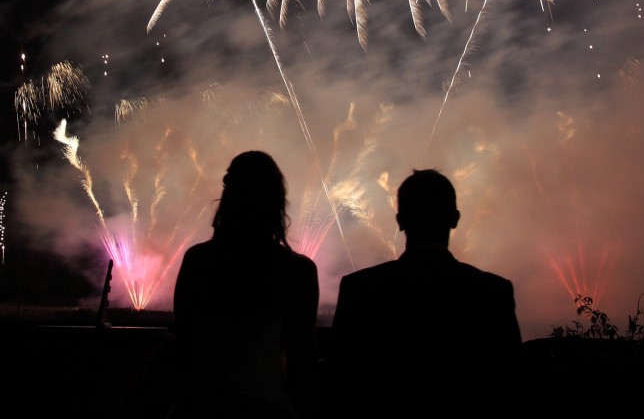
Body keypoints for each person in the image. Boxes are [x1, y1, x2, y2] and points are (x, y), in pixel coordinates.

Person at [327, 168, 521, 410]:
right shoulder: (493, 292)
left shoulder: (360, 288)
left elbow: (339, 378)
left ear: (400, 222)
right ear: (455, 218)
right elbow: (511, 384)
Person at [171, 151, 319, 419]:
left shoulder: (199, 260)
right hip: (266, 408)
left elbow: (183, 343)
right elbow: (301, 359)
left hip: (201, 406)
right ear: (277, 201)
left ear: (228, 197)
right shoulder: (297, 270)